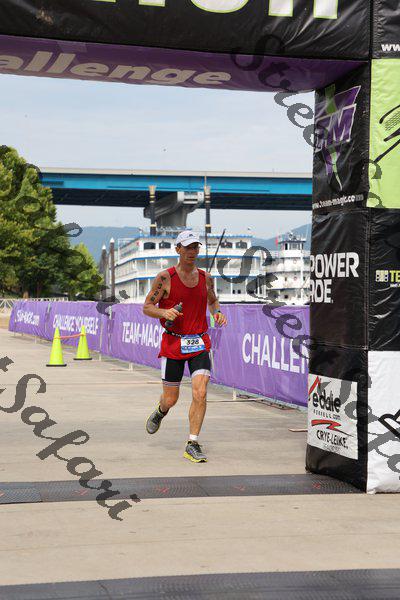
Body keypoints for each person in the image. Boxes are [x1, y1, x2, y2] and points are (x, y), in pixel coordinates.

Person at [143, 230, 228, 463]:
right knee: (171, 399)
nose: (192, 251)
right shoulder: (165, 278)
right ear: (178, 249)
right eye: (188, 247)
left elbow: (213, 301)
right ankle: (161, 411)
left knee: (200, 392)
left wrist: (218, 313)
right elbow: (147, 307)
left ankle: (193, 442)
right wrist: (164, 312)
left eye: (195, 247)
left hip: (199, 342)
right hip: (174, 343)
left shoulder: (206, 278)